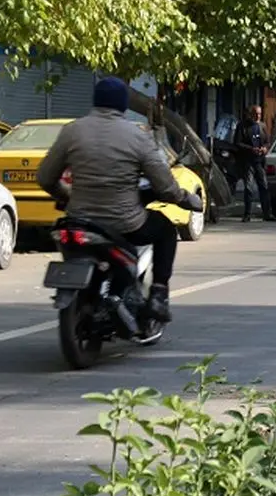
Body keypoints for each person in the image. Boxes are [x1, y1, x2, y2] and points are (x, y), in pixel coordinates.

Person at [38, 76, 202, 323]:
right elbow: (166, 186)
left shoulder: (71, 131)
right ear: (123, 105)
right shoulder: (137, 137)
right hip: (125, 223)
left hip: (78, 220)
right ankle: (158, 295)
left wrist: (67, 195)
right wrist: (185, 199)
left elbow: (45, 178)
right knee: (166, 229)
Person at [233, 105, 276, 222]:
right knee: (248, 188)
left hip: (259, 161)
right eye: (255, 114)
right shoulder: (242, 126)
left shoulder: (262, 126)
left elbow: (267, 142)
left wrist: (264, 148)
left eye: (259, 114)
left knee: (264, 186)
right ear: (250, 114)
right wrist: (250, 149)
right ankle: (247, 214)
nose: (258, 116)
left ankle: (267, 214)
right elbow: (237, 143)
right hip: (247, 161)